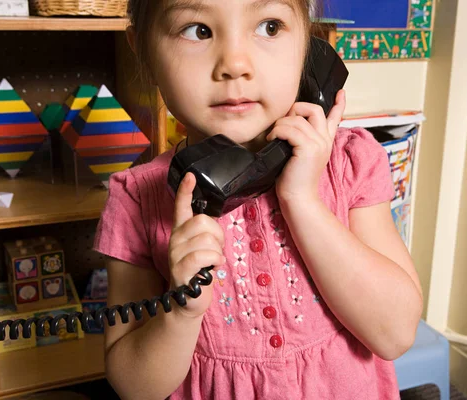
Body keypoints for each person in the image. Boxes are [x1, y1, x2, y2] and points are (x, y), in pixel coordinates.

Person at [93, 0, 423, 399]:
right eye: (197, 30)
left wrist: (302, 199)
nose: (235, 64)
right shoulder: (137, 198)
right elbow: (134, 387)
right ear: (142, 48)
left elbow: (395, 334)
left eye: (269, 26)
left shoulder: (350, 163)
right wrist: (181, 312)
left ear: (308, 47)